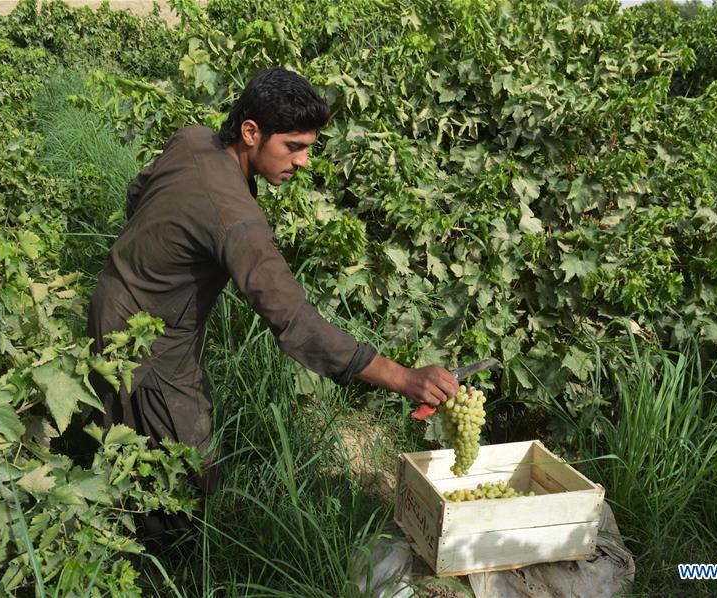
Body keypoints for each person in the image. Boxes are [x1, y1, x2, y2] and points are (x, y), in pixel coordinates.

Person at [86, 66, 459, 551]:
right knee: (183, 476)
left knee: (131, 441)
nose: (304, 161)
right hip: (147, 342)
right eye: (294, 146)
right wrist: (403, 378)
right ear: (250, 132)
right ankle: (162, 566)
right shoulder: (236, 220)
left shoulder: (194, 139)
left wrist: (149, 263)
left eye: (309, 146)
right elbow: (294, 320)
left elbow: (139, 191)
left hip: (111, 300)